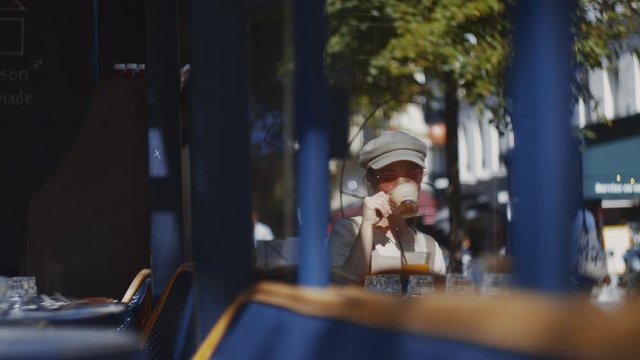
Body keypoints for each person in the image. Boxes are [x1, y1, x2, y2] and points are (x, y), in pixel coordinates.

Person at [329, 131, 446, 282]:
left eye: (412, 175)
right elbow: (342, 288)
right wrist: (366, 227)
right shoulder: (349, 231)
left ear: (421, 177)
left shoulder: (429, 246)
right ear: (371, 180)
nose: (402, 184)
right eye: (389, 177)